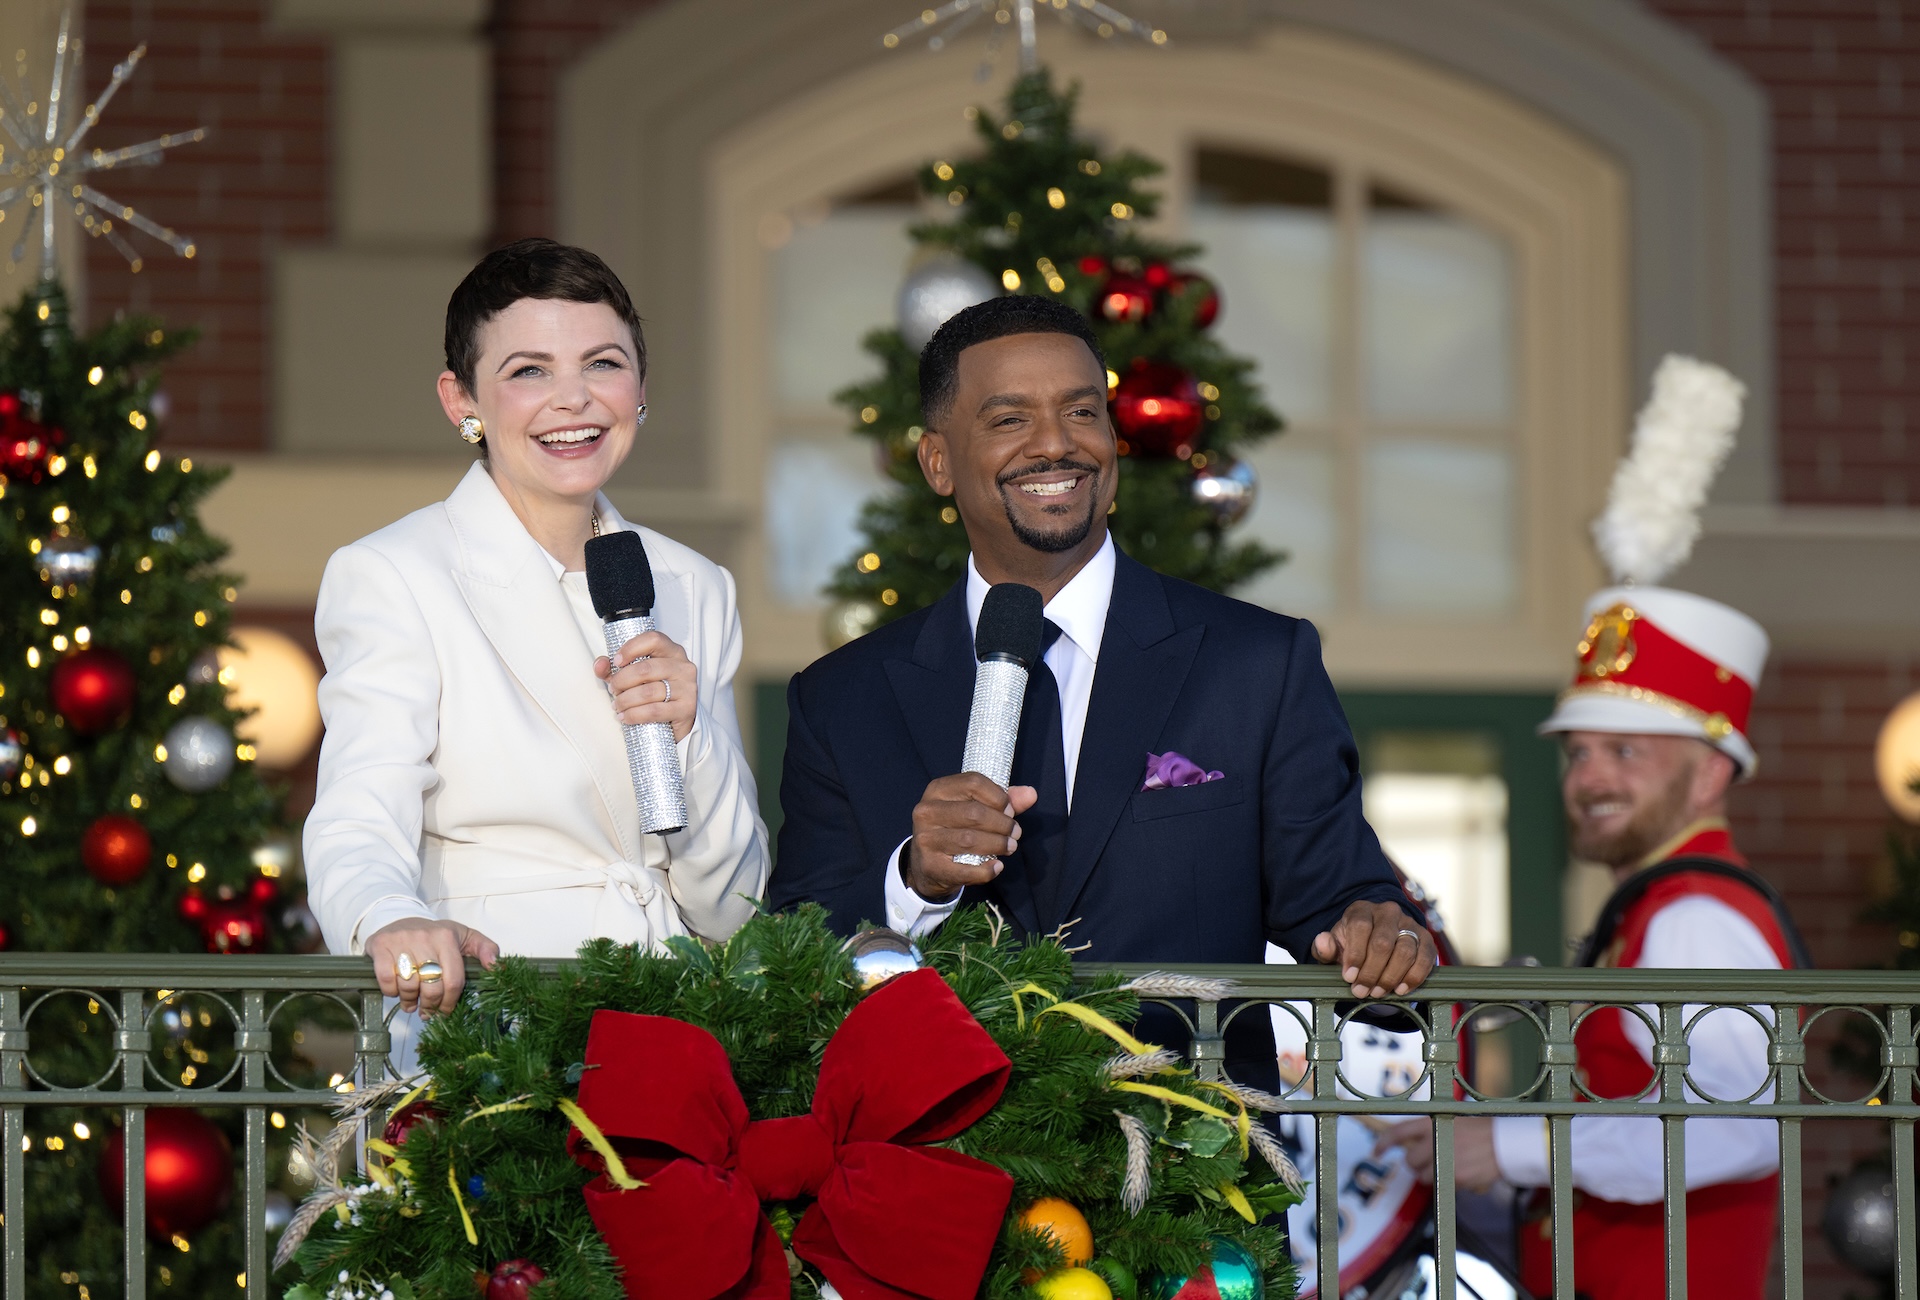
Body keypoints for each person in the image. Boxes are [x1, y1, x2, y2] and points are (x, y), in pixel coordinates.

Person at [767, 295, 1437, 1088]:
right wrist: (916, 880)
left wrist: (1376, 932)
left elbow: (1344, 905)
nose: (1056, 443)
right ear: (939, 463)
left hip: (1196, 1171)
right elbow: (792, 964)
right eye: (1009, 419)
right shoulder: (843, 700)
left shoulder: (1256, 662)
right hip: (943, 1178)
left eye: (1081, 411)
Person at [305, 238, 768, 1019]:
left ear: (642, 386)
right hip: (494, 1014)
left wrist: (690, 738)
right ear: (462, 402)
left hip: (671, 1025)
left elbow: (733, 907)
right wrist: (386, 915)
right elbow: (359, 812)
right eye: (529, 371)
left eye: (604, 363)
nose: (575, 399)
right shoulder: (395, 572)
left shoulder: (696, 585)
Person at [1380, 585, 1808, 1300]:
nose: (1588, 778)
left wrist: (1512, 1146)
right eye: (1578, 753)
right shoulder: (1660, 908)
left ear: (1711, 773)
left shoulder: (1693, 916)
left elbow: (1741, 1128)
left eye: (1625, 750)